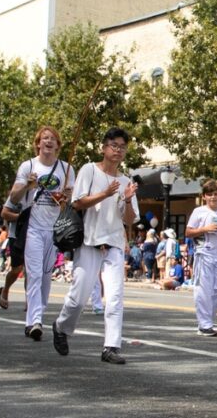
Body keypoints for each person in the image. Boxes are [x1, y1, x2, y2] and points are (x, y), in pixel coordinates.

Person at [52, 127, 139, 364]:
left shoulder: (126, 181)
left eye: (122, 147)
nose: (118, 151)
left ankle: (111, 346)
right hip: (89, 242)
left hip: (113, 244)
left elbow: (129, 219)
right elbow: (78, 203)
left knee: (114, 298)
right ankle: (61, 326)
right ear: (104, 147)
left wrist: (128, 199)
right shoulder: (89, 170)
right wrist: (105, 193)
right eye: (114, 145)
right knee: (78, 298)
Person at [8, 125, 74, 341]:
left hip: (54, 230)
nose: (48, 142)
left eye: (52, 139)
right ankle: (34, 321)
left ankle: (38, 314)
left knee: (46, 275)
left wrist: (65, 196)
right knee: (34, 274)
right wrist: (27, 185)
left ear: (58, 145)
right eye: (44, 138)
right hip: (33, 229)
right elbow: (14, 198)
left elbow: (71, 200)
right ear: (38, 143)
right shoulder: (28, 166)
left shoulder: (66, 169)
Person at [186, 179, 217, 336]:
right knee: (203, 290)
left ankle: (206, 319)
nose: (213, 197)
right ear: (204, 196)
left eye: (216, 194)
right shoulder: (199, 212)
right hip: (203, 253)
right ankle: (205, 325)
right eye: (209, 194)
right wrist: (206, 229)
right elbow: (188, 232)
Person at [0, 196, 26, 309]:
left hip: (34, 236)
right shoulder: (17, 194)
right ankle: (5, 289)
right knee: (17, 270)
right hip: (16, 236)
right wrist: (21, 217)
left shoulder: (42, 193)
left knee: (31, 270)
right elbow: (4, 214)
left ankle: (29, 300)